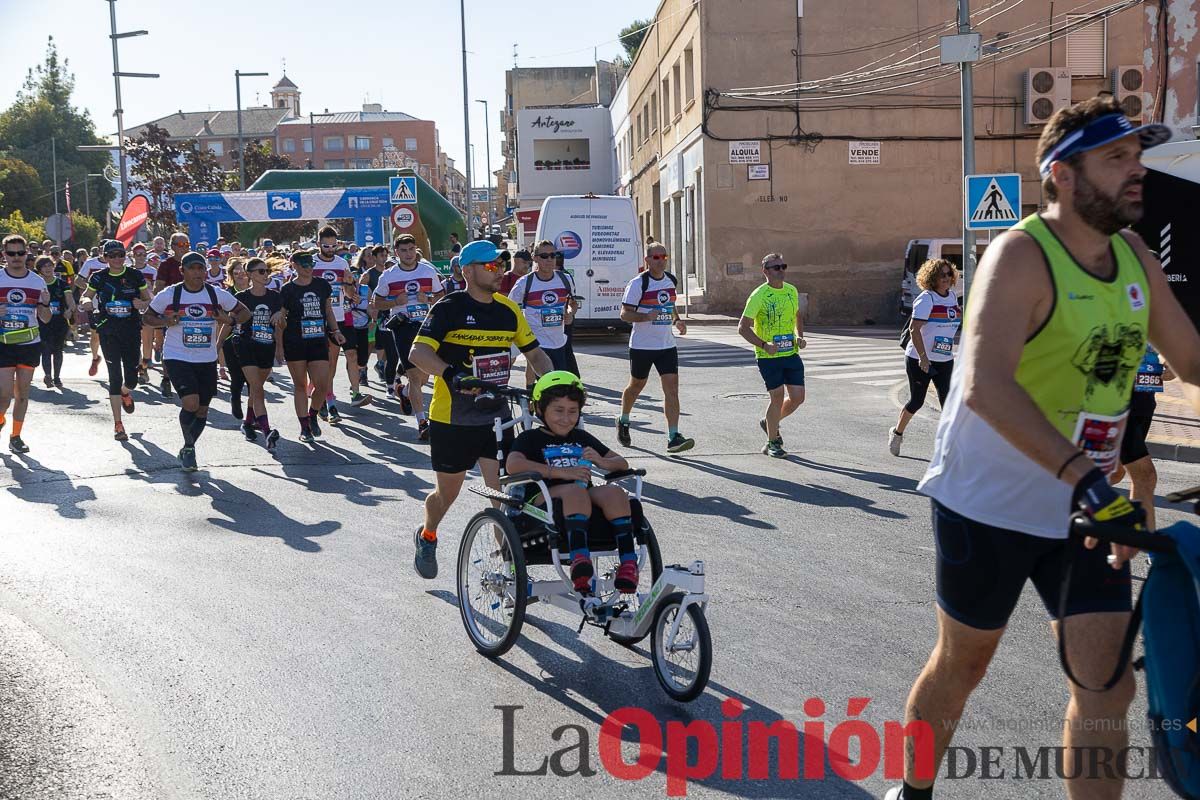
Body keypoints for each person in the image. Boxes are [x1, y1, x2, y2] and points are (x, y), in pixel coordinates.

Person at [884, 97, 1198, 800]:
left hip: (1084, 516)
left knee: (1106, 687)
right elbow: (985, 388)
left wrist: (1089, 490)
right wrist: (1089, 480)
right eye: (1116, 157)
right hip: (986, 505)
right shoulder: (1020, 257)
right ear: (1063, 173)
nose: (1136, 171)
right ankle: (914, 790)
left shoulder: (1133, 255)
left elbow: (1191, 357)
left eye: (1138, 156)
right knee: (962, 667)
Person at [408, 239, 553, 578]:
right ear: (467, 271)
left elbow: (535, 355)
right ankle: (427, 534)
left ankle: (510, 570)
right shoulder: (448, 308)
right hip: (453, 417)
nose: (499, 270)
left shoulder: (507, 309)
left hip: (497, 417)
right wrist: (451, 374)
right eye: (491, 266)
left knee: (503, 497)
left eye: (501, 265)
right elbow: (418, 354)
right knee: (447, 494)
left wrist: (558, 383)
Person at [507, 371, 638, 593]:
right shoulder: (531, 438)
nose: (566, 418)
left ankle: (628, 563)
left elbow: (620, 462)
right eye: (558, 411)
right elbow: (513, 465)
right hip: (540, 502)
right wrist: (558, 472)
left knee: (615, 492)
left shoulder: (581, 437)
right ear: (539, 409)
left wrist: (601, 462)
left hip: (580, 497)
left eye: (572, 412)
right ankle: (580, 561)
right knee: (574, 492)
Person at [143, 251, 250, 471]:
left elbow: (245, 313)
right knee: (190, 403)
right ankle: (190, 448)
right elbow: (147, 317)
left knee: (202, 410)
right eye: (192, 268)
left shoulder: (215, 294)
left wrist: (227, 319)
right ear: (182, 271)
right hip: (177, 356)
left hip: (206, 358)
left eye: (201, 268)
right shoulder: (170, 294)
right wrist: (165, 320)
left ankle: (187, 447)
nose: (198, 272)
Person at [617, 242, 694, 453]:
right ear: (647, 260)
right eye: (656, 257)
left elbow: (670, 305)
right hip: (642, 346)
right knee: (636, 387)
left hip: (666, 346)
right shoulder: (638, 284)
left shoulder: (671, 281)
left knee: (672, 391)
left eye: (664, 257)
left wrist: (677, 320)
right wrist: (644, 316)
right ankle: (623, 420)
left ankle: (673, 436)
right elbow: (624, 314)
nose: (661, 261)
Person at [81, 239, 153, 441]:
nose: (116, 259)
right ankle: (118, 424)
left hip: (130, 330)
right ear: (105, 258)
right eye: (111, 256)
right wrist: (86, 302)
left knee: (132, 378)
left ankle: (125, 392)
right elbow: (85, 296)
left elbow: (147, 299)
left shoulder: (135, 275)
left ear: (125, 256)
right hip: (108, 330)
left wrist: (142, 303)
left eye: (120, 255)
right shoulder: (98, 277)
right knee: (114, 376)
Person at [372, 234, 443, 438]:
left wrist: (428, 298)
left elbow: (441, 297)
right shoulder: (389, 275)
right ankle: (422, 422)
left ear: (415, 250)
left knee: (423, 377)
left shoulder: (427, 271)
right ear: (396, 253)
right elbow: (376, 303)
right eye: (403, 250)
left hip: (426, 326)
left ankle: (403, 393)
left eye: (411, 249)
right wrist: (395, 302)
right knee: (413, 374)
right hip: (403, 327)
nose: (408, 254)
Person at [888, 258, 960, 457]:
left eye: (948, 274)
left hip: (945, 358)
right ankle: (897, 433)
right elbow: (914, 329)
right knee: (917, 401)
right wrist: (923, 357)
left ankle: (948, 448)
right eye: (941, 275)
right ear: (932, 278)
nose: (945, 278)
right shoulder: (927, 298)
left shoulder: (952, 297)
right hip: (919, 358)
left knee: (947, 402)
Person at [738, 253, 806, 458]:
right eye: (776, 267)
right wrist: (764, 345)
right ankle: (772, 441)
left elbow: (797, 316)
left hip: (790, 352)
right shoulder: (759, 295)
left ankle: (770, 422)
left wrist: (799, 336)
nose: (781, 270)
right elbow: (742, 328)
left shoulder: (791, 291)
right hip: (768, 356)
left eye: (783, 266)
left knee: (797, 398)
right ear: (765, 271)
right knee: (776, 397)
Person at [278, 250, 345, 443]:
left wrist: (336, 331)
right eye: (305, 265)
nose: (309, 268)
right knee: (299, 385)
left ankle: (313, 414)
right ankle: (304, 427)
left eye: (311, 265)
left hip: (318, 340)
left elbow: (328, 310)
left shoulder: (322, 285)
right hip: (295, 341)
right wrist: (279, 346)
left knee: (322, 385)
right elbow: (281, 318)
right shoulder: (288, 289)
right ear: (295, 266)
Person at [1109, 346, 1172, 531]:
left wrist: (1171, 362)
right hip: (1113, 396)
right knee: (1145, 475)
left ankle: (1058, 504)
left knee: (1115, 472)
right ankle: (1147, 544)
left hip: (1144, 395)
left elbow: (1169, 339)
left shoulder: (1159, 315)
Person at [0, 235, 52, 452]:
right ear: (4, 255)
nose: (16, 257)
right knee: (4, 395)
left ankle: (16, 436)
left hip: (30, 344)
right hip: (3, 344)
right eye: (11, 253)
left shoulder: (37, 282)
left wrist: (46, 305)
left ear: (26, 255)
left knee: (22, 394)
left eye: (20, 253)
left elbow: (46, 318)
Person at [312, 225, 367, 418]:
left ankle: (343, 395)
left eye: (333, 245)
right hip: (319, 318)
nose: (330, 249)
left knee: (342, 358)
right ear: (318, 244)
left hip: (341, 316)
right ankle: (328, 399)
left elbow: (349, 294)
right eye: (326, 246)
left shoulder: (342, 263)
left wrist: (350, 284)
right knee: (328, 362)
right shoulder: (311, 263)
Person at [233, 257, 283, 451]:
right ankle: (267, 432)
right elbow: (230, 321)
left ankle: (247, 422)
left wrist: (279, 348)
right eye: (261, 271)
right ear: (250, 275)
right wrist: (218, 344)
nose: (265, 274)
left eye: (267, 271)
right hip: (246, 345)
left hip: (266, 346)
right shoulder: (242, 297)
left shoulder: (275, 296)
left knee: (257, 388)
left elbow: (280, 327)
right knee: (257, 388)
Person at [509, 241, 578, 380]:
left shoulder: (565, 279)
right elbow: (510, 309)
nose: (550, 260)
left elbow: (573, 303)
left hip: (559, 343)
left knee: (560, 388)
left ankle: (532, 398)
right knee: (548, 388)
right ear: (535, 258)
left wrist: (570, 312)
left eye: (553, 255)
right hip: (536, 345)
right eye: (544, 256)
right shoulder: (524, 283)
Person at [154, 232, 190, 398]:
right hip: (172, 313)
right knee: (169, 347)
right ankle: (166, 379)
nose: (185, 248)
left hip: (192, 312)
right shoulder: (166, 264)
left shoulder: (194, 261)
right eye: (181, 245)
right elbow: (158, 288)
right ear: (173, 246)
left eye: (187, 244)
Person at [35, 256, 74, 389]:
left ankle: (57, 377)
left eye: (50, 266)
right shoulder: (37, 284)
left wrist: (69, 310)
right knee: (45, 349)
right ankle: (48, 376)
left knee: (58, 351)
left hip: (60, 322)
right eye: (44, 266)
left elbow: (71, 301)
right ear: (39, 270)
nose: (48, 269)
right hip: (43, 323)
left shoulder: (62, 284)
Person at [74, 245, 108, 378]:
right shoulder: (91, 263)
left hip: (113, 306)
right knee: (95, 335)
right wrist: (93, 289)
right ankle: (95, 358)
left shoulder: (121, 262)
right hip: (94, 305)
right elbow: (78, 281)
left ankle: (114, 365)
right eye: (104, 252)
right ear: (100, 251)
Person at [134, 244, 159, 385]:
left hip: (149, 308)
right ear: (133, 256)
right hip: (133, 309)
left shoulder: (152, 271)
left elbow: (157, 291)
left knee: (147, 342)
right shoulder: (129, 271)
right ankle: (141, 371)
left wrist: (149, 294)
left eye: (144, 254)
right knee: (135, 341)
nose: (141, 257)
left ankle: (144, 364)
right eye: (138, 254)